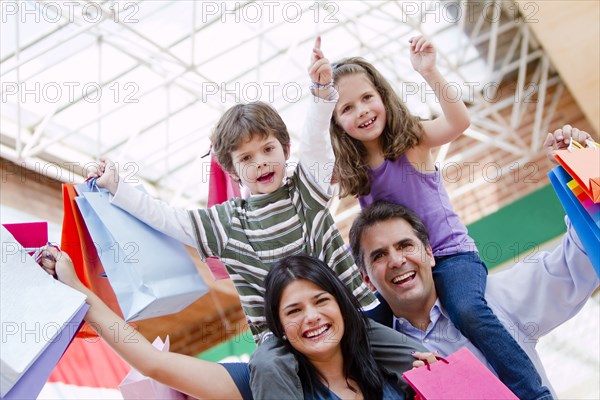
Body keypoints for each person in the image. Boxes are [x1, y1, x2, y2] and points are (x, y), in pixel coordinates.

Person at [88, 37, 425, 399]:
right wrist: (118, 188)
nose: (261, 161)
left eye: (268, 149)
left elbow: (316, 144)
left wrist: (322, 93)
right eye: (246, 158)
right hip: (280, 338)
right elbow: (167, 218)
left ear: (285, 149)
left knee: (423, 360)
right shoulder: (227, 224)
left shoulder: (307, 191)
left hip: (354, 315)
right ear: (232, 171)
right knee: (264, 366)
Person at [313, 35, 553, 399]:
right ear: (336, 122)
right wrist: (318, 99)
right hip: (402, 269)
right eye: (346, 109)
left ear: (383, 95)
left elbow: (458, 121)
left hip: (451, 257)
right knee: (362, 331)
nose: (361, 111)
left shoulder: (412, 141)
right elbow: (309, 175)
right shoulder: (351, 169)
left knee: (468, 311)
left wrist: (430, 72)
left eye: (366, 98)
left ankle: (532, 391)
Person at [40, 248, 434, 399]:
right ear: (279, 328)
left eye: (321, 302)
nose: (312, 317)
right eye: (293, 311)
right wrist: (79, 290)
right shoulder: (262, 380)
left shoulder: (385, 371)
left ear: (342, 306)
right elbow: (153, 363)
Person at [348, 196, 599, 398]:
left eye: (405, 246)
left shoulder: (493, 299)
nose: (396, 260)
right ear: (367, 279)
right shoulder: (373, 358)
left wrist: (580, 172)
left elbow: (578, 259)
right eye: (379, 256)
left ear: (429, 253)